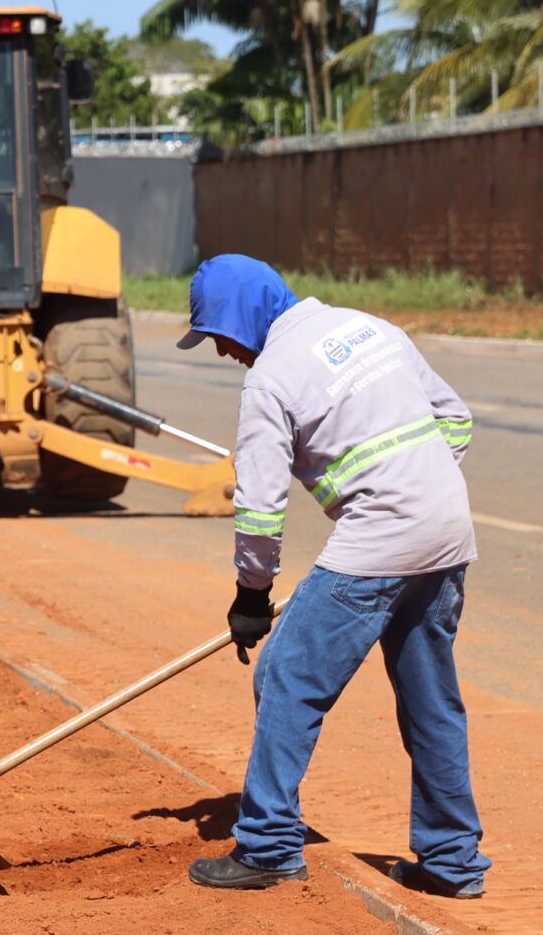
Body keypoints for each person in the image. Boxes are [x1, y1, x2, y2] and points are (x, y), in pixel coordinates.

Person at [180, 254, 490, 899]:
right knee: (431, 699)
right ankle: (451, 861)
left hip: (380, 541)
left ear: (242, 318)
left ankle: (266, 846)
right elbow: (455, 421)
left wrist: (251, 596)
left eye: (218, 335)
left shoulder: (269, 381)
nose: (221, 352)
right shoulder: (370, 327)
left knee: (285, 676)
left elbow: (260, 512)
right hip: (447, 531)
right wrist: (415, 486)